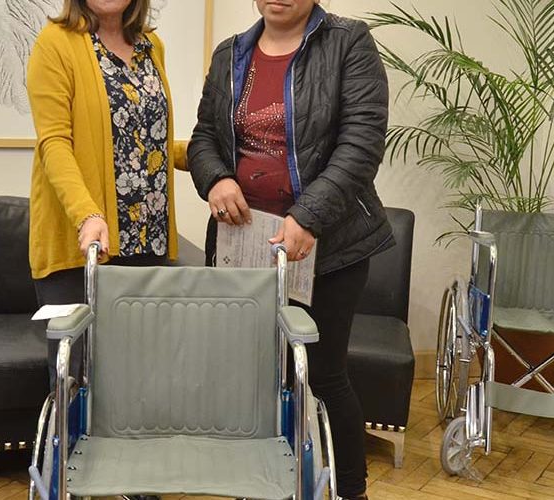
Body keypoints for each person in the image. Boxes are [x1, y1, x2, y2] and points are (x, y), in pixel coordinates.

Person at [187, 0, 392, 497]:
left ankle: (349, 490)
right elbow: (204, 138)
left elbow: (361, 145)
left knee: (322, 376)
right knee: (247, 377)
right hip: (243, 247)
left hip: (329, 247)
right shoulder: (230, 53)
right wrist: (215, 179)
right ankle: (257, 486)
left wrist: (309, 216)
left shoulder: (349, 43)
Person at [27, 0, 181, 380]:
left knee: (140, 381)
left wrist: (206, 155)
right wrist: (88, 214)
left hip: (147, 243)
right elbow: (54, 143)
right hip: (83, 248)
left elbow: (144, 137)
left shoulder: (151, 46)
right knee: (77, 380)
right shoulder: (55, 42)